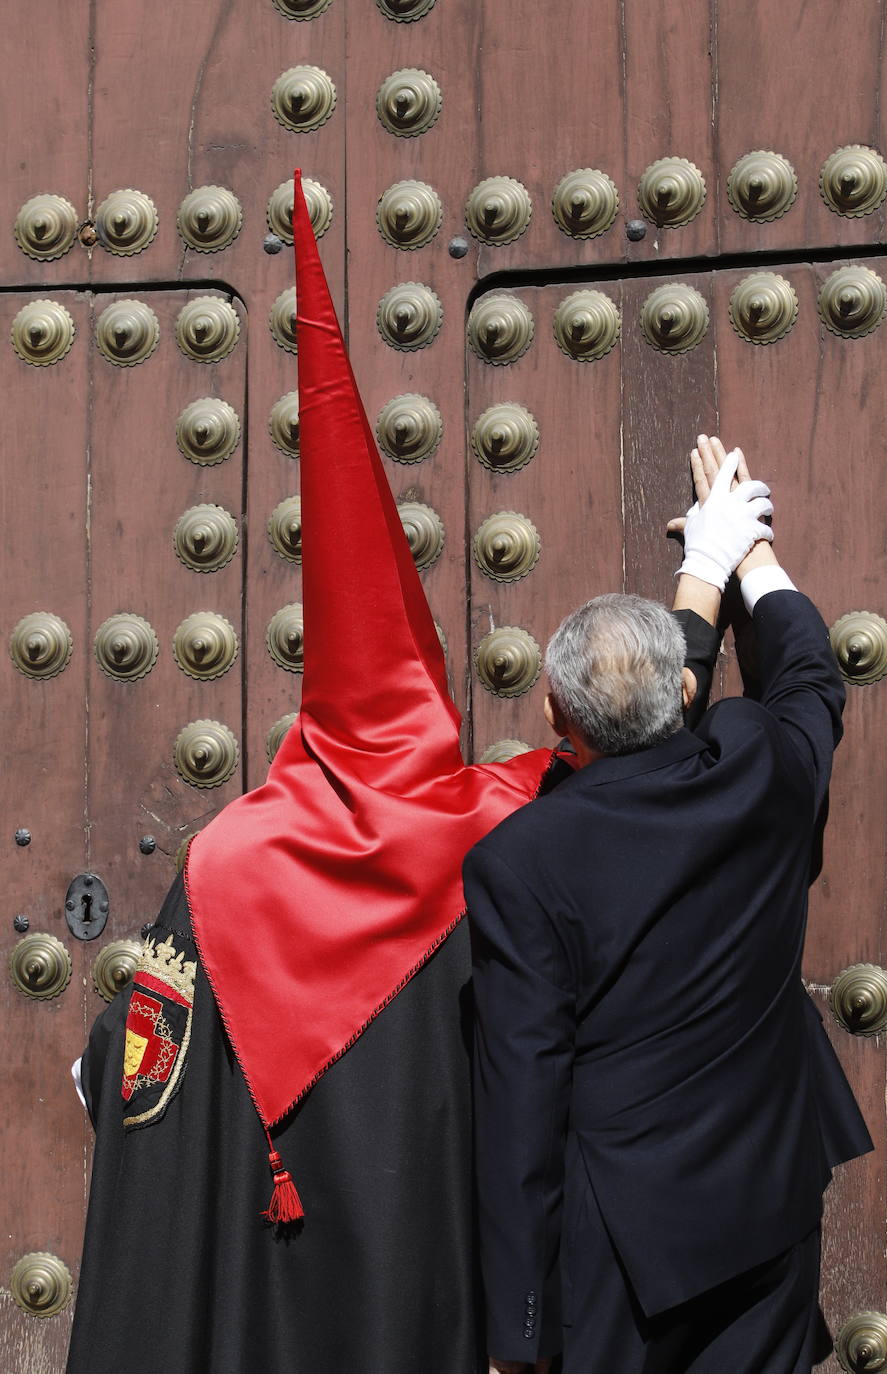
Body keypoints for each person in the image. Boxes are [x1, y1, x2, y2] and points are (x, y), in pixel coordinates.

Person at [65, 173, 723, 1374]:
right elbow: (655, 755)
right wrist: (708, 586)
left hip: (249, 1304)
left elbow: (126, 1067)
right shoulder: (504, 822)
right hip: (416, 1298)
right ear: (424, 684)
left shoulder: (228, 859)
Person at [465, 445, 873, 1374]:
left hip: (627, 1242)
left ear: (553, 713)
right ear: (688, 691)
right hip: (769, 1198)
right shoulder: (761, 771)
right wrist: (743, 554)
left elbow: (522, 1100)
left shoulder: (522, 861)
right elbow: (810, 677)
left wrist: (518, 1328)